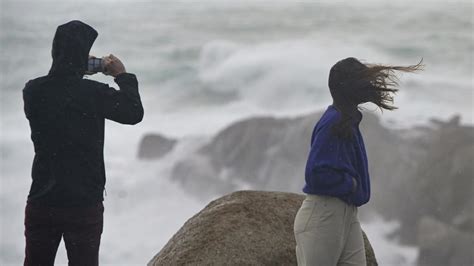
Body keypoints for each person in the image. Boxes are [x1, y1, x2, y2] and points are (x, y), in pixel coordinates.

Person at [22, 20, 144, 266]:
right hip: (83, 203)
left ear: (55, 52)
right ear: (81, 57)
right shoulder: (94, 94)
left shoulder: (33, 91)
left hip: (42, 200)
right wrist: (121, 75)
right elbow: (133, 112)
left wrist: (75, 69)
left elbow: (60, 92)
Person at [293, 57, 422, 265]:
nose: (369, 84)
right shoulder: (333, 122)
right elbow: (316, 174)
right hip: (324, 215)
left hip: (346, 214)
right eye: (362, 80)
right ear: (349, 88)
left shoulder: (346, 120)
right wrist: (351, 184)